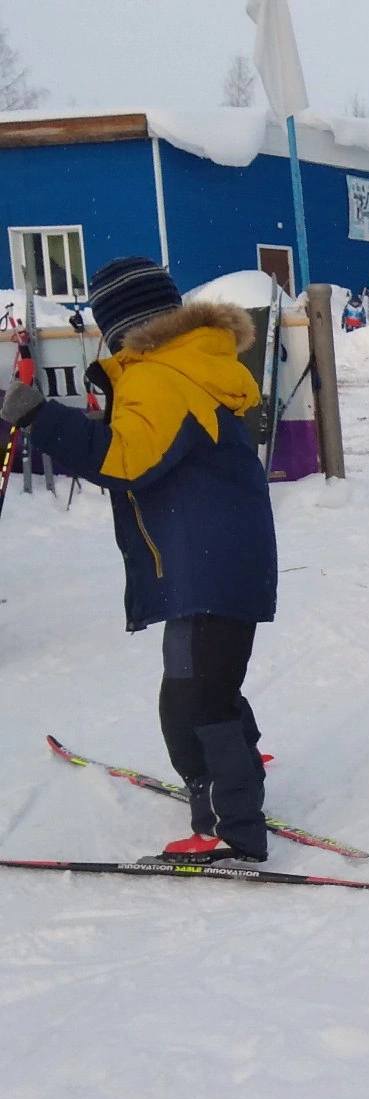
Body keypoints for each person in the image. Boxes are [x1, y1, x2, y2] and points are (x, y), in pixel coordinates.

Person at [1, 256, 277, 862]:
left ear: (118, 324)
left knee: (192, 699)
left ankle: (232, 827)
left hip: (205, 564)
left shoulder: (158, 374)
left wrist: (41, 418)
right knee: (208, 684)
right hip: (222, 557)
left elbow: (126, 460)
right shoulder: (194, 360)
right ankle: (238, 778)